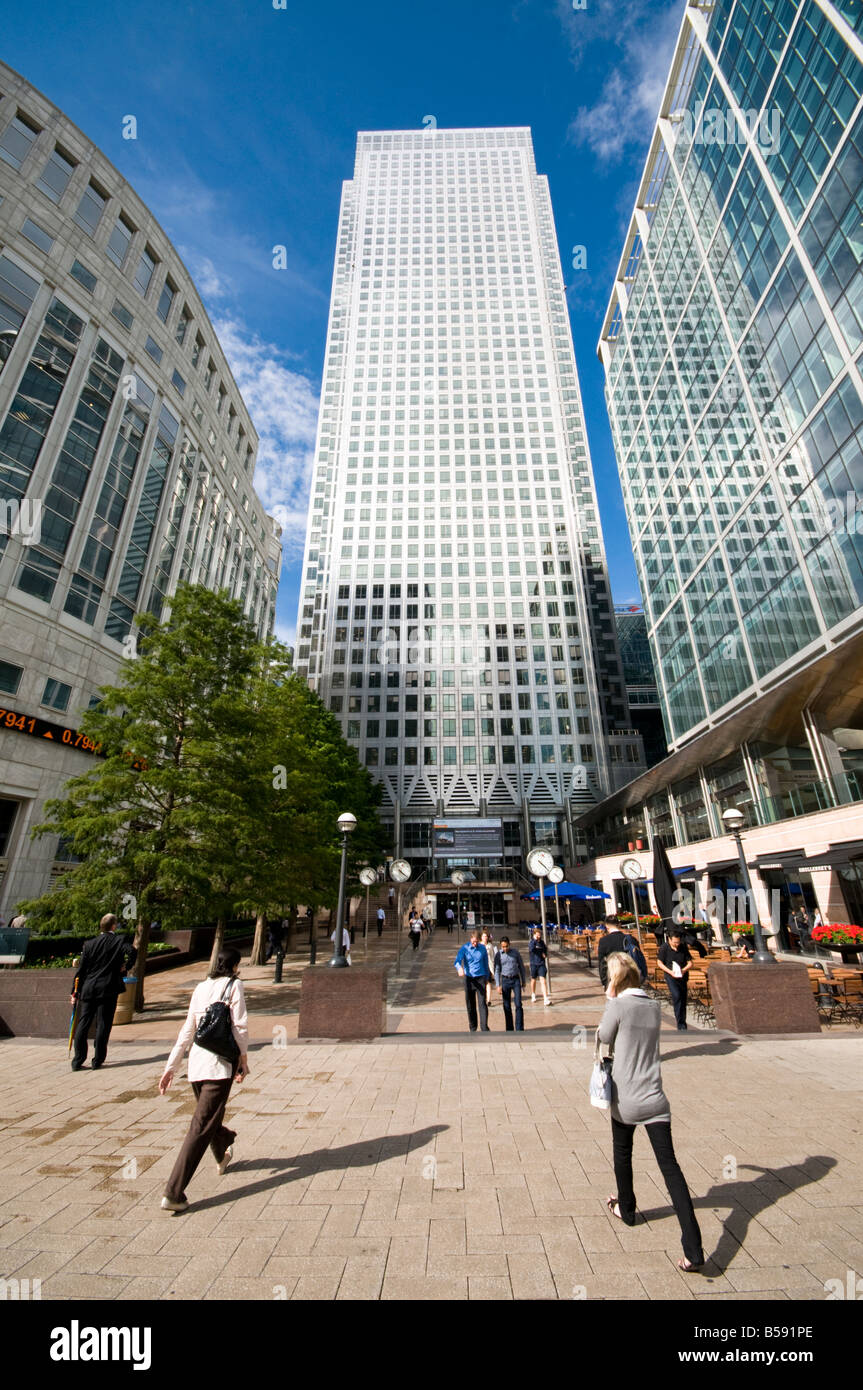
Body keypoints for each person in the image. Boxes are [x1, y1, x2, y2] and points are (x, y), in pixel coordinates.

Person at [597, 951, 704, 1272]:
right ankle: (694, 1249)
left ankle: (627, 1209)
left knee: (622, 1152)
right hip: (655, 1096)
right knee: (671, 1170)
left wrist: (609, 998)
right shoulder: (654, 1006)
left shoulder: (618, 1005)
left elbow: (603, 1036)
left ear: (615, 979)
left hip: (626, 1097)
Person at [158, 947, 249, 1213]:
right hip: (219, 1065)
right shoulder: (235, 986)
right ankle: (174, 1192)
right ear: (234, 966)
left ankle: (222, 1148)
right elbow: (239, 1025)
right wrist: (243, 1058)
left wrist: (171, 1066)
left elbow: (188, 1029)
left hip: (196, 1066)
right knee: (201, 1125)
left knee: (207, 1118)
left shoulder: (200, 988)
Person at [69, 913, 135, 1071]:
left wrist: (75, 991)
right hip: (108, 988)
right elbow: (133, 952)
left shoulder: (90, 944)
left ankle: (78, 1060)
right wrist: (126, 966)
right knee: (103, 1024)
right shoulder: (119, 941)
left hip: (89, 988)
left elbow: (82, 970)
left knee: (83, 1023)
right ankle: (97, 1060)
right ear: (113, 926)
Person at [454, 930, 492, 1032]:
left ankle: (484, 1027)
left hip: (480, 978)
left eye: (476, 942)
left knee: (482, 1004)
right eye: (473, 942)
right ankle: (473, 1026)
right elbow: (457, 961)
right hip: (469, 979)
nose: (474, 944)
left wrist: (486, 978)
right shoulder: (465, 948)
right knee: (470, 1004)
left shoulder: (482, 949)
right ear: (470, 939)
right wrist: (460, 968)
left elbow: (485, 963)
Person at [657, 928, 692, 1030]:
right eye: (675, 942)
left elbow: (690, 962)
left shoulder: (683, 947)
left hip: (682, 976)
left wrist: (684, 970)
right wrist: (670, 972)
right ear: (669, 939)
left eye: (678, 942)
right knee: (676, 996)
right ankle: (680, 1024)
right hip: (671, 976)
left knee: (683, 999)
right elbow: (659, 963)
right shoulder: (664, 948)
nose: (677, 944)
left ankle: (683, 1023)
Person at [598, 924, 647, 990]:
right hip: (632, 977)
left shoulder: (603, 941)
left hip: (614, 979)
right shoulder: (631, 939)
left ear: (607, 927)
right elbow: (639, 957)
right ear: (618, 925)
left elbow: (602, 963)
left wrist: (604, 983)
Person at [494, 937, 526, 1031]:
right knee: (506, 1005)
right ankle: (509, 1028)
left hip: (515, 979)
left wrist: (523, 981)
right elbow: (497, 970)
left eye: (506, 946)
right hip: (505, 980)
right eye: (503, 947)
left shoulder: (515, 953)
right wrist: (497, 985)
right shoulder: (498, 955)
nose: (505, 948)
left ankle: (519, 1028)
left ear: (509, 944)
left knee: (518, 1004)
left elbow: (521, 967)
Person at [528, 927, 551, 1005]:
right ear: (534, 935)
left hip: (541, 963)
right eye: (537, 935)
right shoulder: (531, 942)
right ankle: (533, 994)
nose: (538, 937)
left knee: (543, 981)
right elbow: (531, 949)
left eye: (539, 935)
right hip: (533, 964)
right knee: (533, 980)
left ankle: (545, 998)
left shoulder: (542, 943)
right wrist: (534, 940)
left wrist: (545, 954)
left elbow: (545, 950)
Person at [480, 929, 495, 1007]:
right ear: (481, 937)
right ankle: (483, 998)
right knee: (482, 984)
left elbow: (492, 957)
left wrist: (493, 970)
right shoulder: (479, 945)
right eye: (483, 936)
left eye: (486, 936)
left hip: (488, 966)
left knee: (488, 983)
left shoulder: (490, 945)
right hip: (480, 967)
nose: (484, 937)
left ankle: (489, 1000)